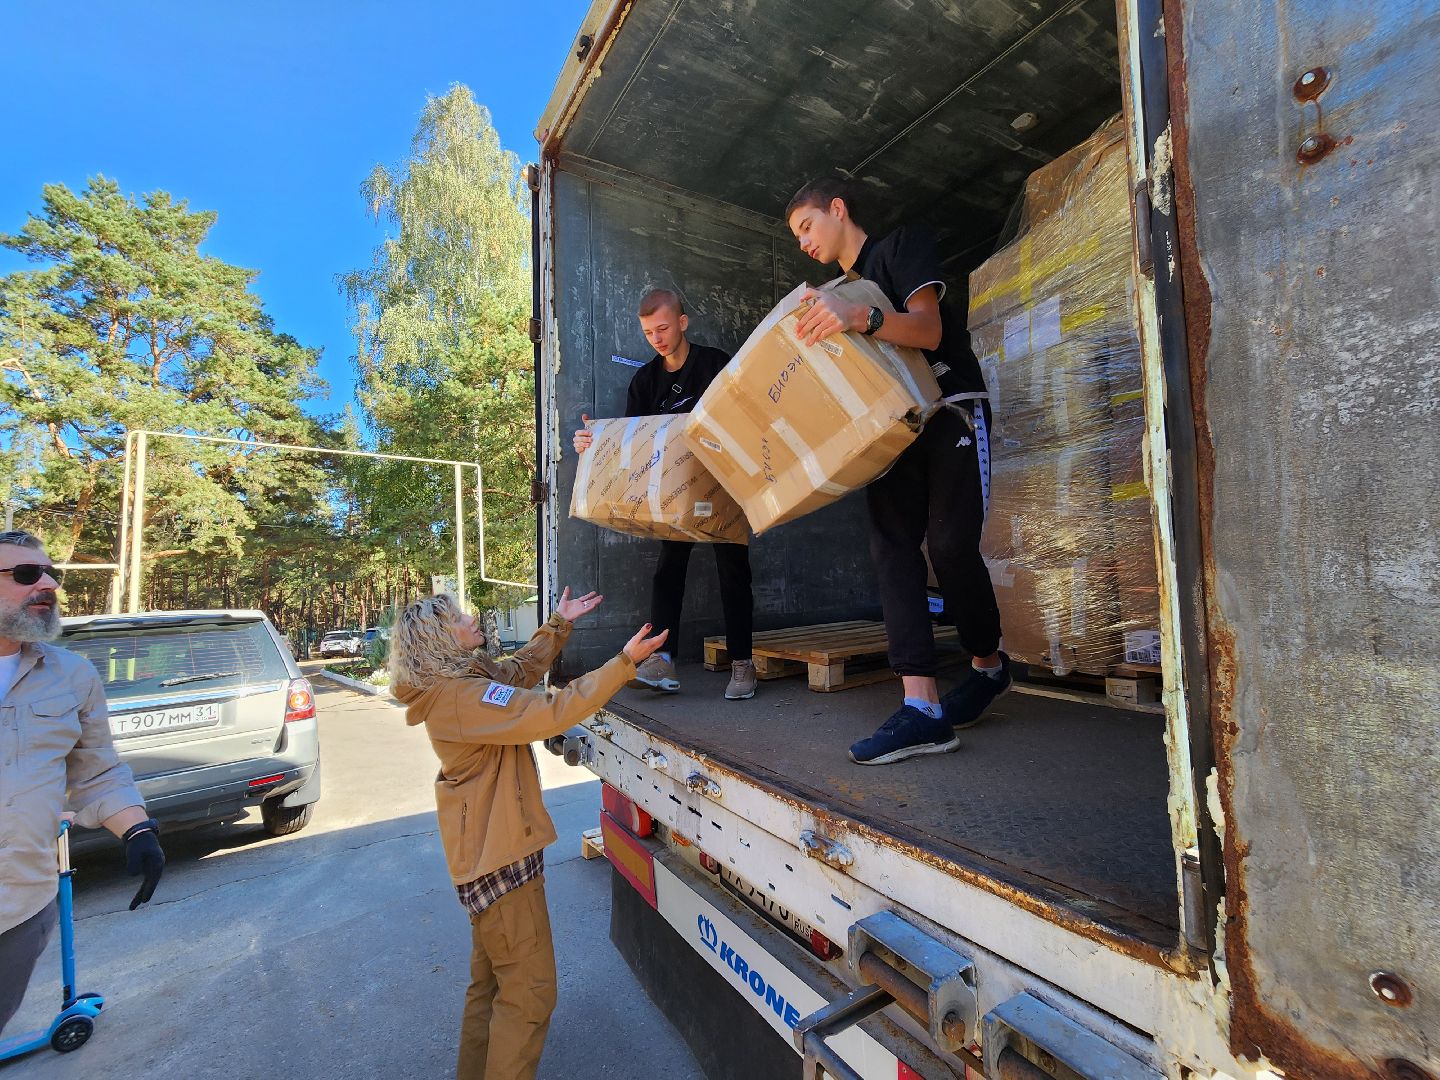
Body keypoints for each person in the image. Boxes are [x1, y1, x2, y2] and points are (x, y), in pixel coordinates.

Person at [388, 587, 667, 1080]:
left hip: (485, 855)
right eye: (458, 618)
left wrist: (559, 623)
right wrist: (624, 663)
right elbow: (549, 712)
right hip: (499, 862)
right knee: (531, 992)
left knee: (491, 985)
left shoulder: (466, 680)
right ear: (439, 639)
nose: (470, 617)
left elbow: (517, 672)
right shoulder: (460, 699)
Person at [784, 180, 1011, 765]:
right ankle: (923, 708)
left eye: (807, 226)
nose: (803, 242)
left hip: (949, 409)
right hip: (889, 432)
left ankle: (988, 666)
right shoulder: (830, 297)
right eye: (797, 236)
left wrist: (857, 316)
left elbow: (928, 331)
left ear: (838, 209)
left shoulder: (898, 249)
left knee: (952, 546)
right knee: (891, 550)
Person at [0, 530, 165, 1035]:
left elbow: (96, 771)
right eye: (27, 574)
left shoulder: (72, 675)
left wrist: (138, 831)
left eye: (52, 573)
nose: (48, 583)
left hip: (21, 907)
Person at [572, 286, 757, 701]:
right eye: (648, 332)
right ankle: (663, 661)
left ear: (682, 323)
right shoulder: (645, 380)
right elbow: (631, 443)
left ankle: (743, 664)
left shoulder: (714, 364)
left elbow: (743, 416)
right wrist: (593, 441)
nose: (656, 338)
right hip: (674, 492)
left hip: (723, 482)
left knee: (733, 570)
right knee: (667, 571)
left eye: (663, 328)